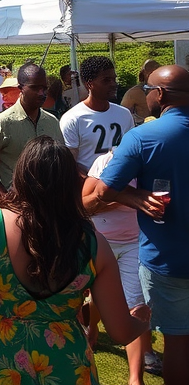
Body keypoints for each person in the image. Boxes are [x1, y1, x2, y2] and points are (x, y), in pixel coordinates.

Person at [0, 136, 148, 385]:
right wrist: (142, 320)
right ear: (71, 183)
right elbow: (121, 332)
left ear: (21, 176)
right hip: (67, 367)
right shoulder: (95, 244)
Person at [88, 64, 189, 385]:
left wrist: (135, 197)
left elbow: (103, 191)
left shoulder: (143, 137)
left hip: (167, 260)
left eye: (147, 91)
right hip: (166, 258)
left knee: (177, 341)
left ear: (159, 95)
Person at [83, 149, 154, 385]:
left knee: (136, 304)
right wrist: (121, 198)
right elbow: (84, 203)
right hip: (100, 240)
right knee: (98, 296)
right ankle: (93, 327)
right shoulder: (105, 161)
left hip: (135, 243)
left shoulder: (150, 165)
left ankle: (135, 379)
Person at [0, 63, 62, 204]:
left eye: (44, 88)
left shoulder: (52, 122)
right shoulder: (2, 123)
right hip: (17, 205)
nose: (41, 93)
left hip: (48, 203)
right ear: (21, 88)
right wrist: (2, 194)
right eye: (35, 88)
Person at [61, 56, 135, 175]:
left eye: (114, 79)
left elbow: (131, 152)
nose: (113, 84)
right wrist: (92, 183)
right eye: (106, 80)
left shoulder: (124, 114)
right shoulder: (72, 118)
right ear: (89, 84)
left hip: (120, 181)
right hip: (87, 183)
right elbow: (70, 163)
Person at [121, 59, 161, 126]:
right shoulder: (134, 93)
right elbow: (122, 115)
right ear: (144, 73)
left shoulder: (165, 90)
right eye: (150, 73)